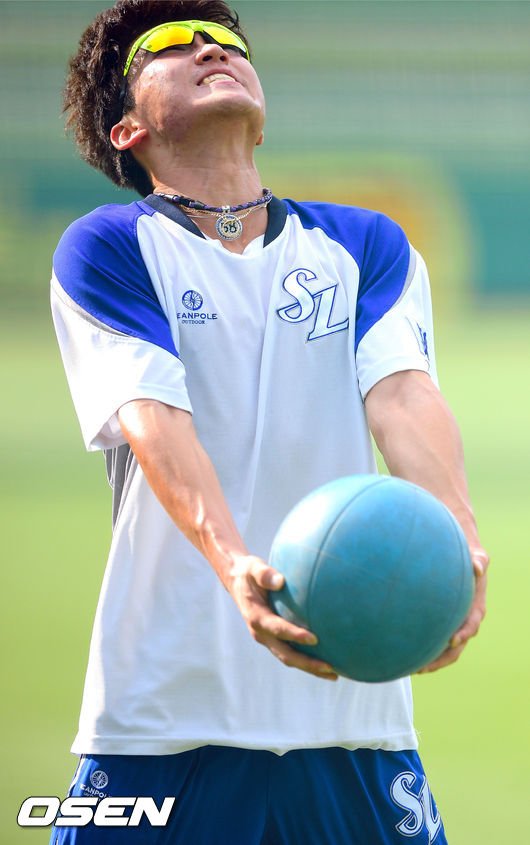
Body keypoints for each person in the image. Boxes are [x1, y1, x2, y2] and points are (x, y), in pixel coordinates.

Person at [49, 1, 488, 842]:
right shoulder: (109, 248)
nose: (210, 48)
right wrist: (235, 566)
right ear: (127, 129)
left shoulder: (366, 244)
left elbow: (403, 397)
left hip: (353, 724)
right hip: (162, 727)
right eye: (169, 44)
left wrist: (459, 539)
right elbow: (153, 415)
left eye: (227, 41)